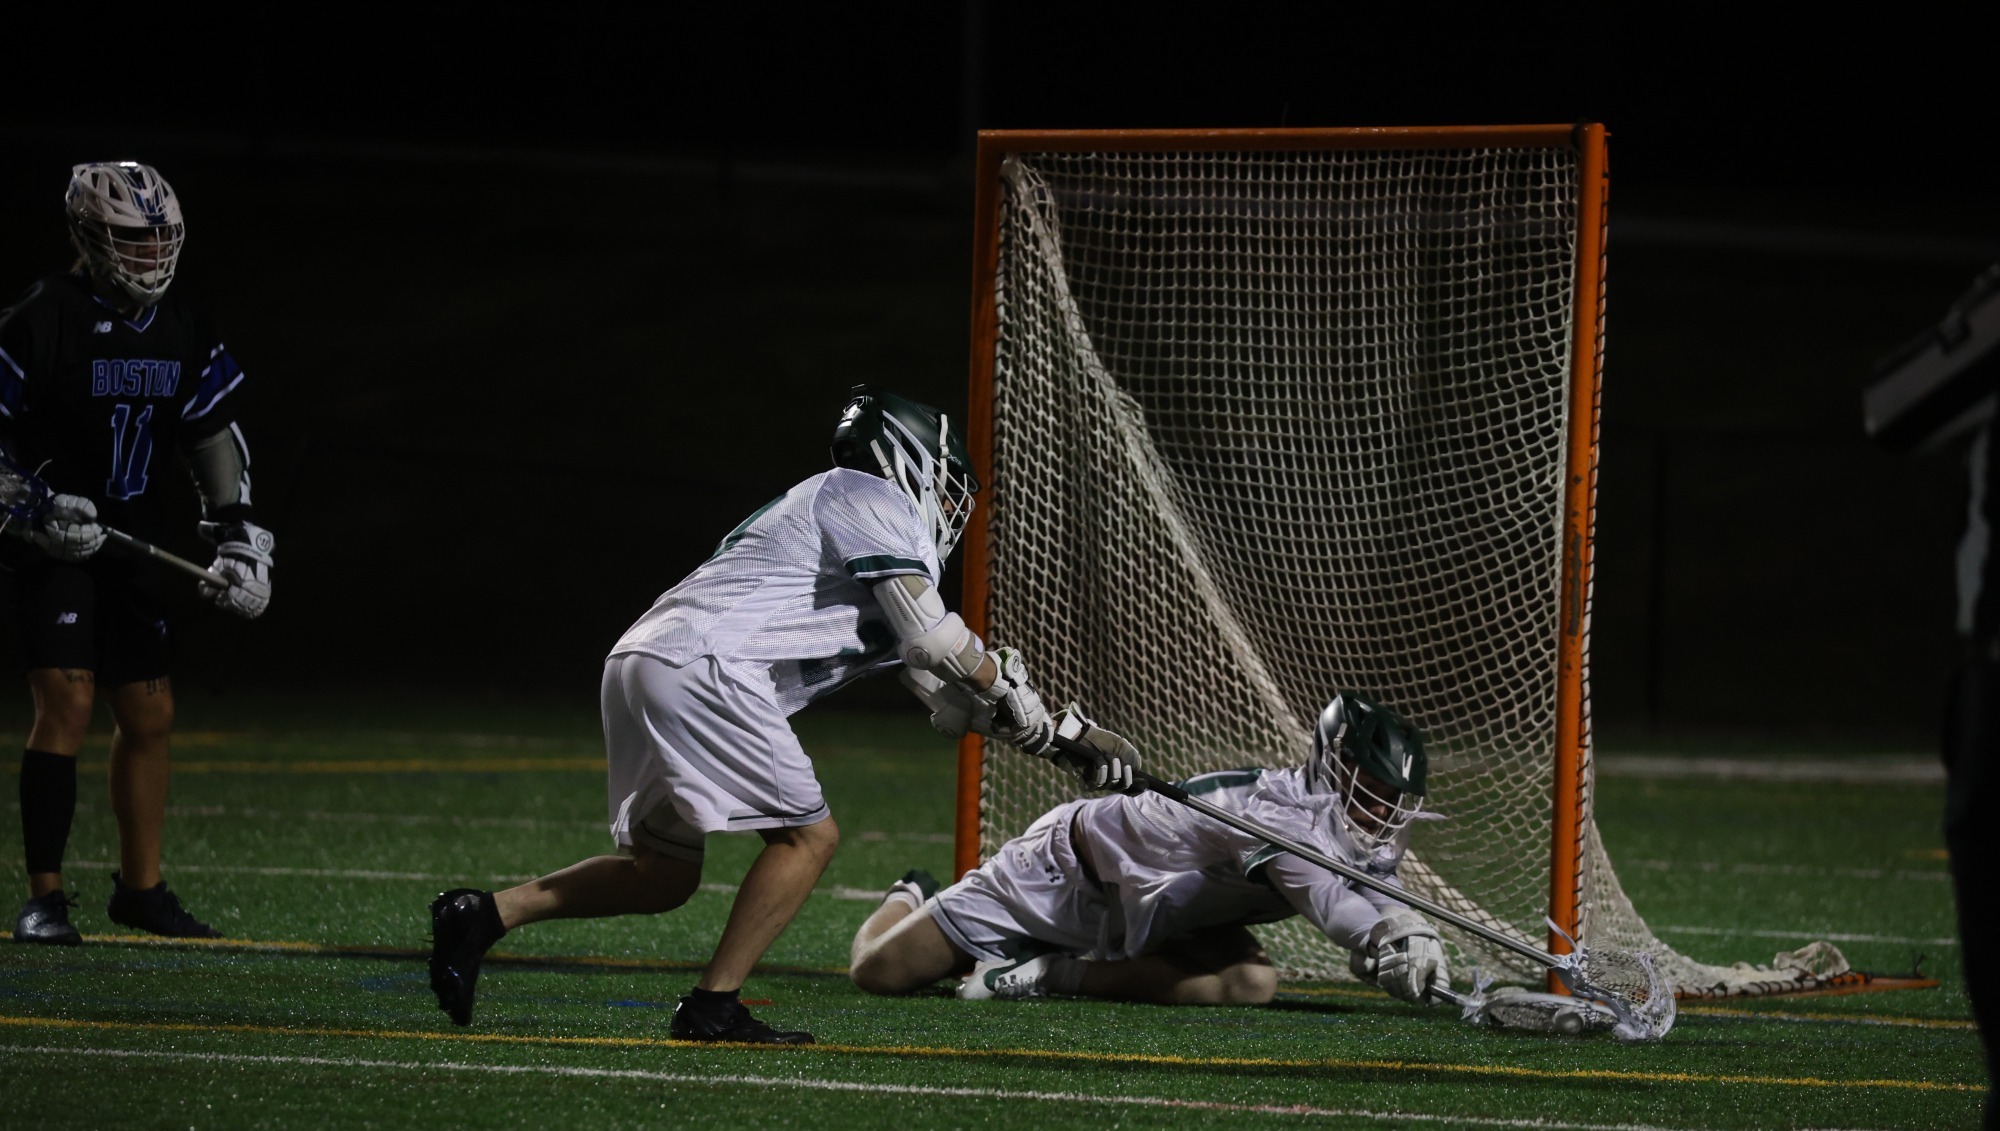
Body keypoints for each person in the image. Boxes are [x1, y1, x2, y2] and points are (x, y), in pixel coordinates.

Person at [425, 387, 1138, 1044]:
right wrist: (1012, 692)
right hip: (703, 666)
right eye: (951, 491)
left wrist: (1065, 738)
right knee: (808, 838)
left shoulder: (848, 524)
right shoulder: (865, 493)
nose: (953, 510)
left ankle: (483, 914)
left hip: (646, 661)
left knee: (662, 873)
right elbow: (938, 640)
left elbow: (945, 695)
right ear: (909, 459)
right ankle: (712, 1008)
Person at [2, 161, 274, 945]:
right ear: (89, 236)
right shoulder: (41, 315)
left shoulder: (181, 322)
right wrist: (31, 505)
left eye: (160, 237)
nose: (150, 253)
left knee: (150, 711)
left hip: (127, 537)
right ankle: (45, 897)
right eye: (132, 237)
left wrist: (239, 532)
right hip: (50, 540)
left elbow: (209, 432)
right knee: (69, 702)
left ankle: (141, 887)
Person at [848, 691, 1449, 1009]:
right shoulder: (1281, 817)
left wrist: (1405, 924)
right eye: (1368, 789)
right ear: (1329, 764)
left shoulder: (1366, 822)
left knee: (1250, 983)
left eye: (1392, 797)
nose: (1380, 810)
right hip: (1065, 877)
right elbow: (1330, 904)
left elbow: (1373, 886)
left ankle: (1046, 973)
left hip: (1160, 907)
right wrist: (1380, 937)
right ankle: (915, 894)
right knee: (878, 973)